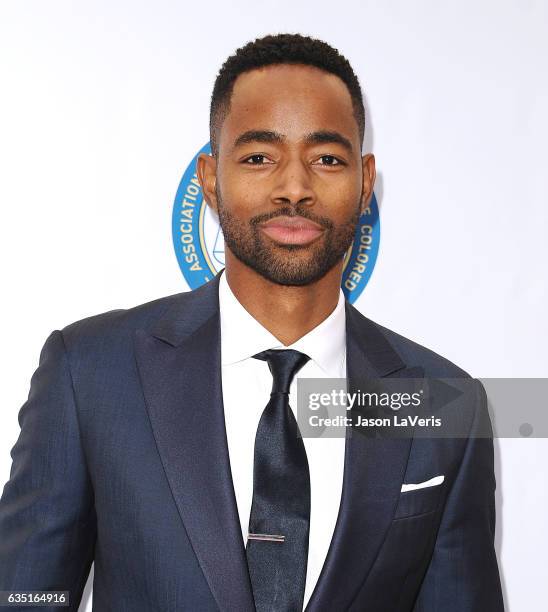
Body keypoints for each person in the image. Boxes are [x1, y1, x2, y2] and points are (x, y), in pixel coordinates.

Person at [0, 33, 504, 611]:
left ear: (366, 183)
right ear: (210, 179)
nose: (294, 188)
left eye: (327, 159)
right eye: (260, 157)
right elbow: (24, 597)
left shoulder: (442, 400)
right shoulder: (90, 372)